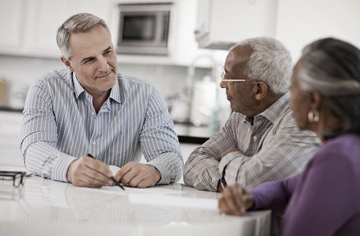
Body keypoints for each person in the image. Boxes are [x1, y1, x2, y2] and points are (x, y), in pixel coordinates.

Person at [20, 13, 183, 188]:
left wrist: (154, 170)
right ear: (68, 64)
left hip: (118, 207)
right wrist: (69, 168)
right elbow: (34, 150)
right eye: (90, 59)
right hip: (59, 203)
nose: (105, 66)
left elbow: (171, 157)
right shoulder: (46, 88)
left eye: (108, 52)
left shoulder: (146, 95)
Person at [218, 37, 360, 235]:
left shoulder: (338, 158)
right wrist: (251, 198)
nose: (288, 100)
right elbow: (286, 188)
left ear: (313, 100)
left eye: (293, 89)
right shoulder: (346, 148)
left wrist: (228, 159)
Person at [183, 37, 320, 192]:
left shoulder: (300, 120)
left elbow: (256, 182)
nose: (222, 84)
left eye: (229, 77)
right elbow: (193, 163)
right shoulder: (240, 114)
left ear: (258, 90)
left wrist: (230, 157)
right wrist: (224, 184)